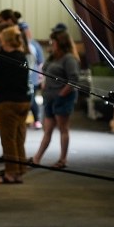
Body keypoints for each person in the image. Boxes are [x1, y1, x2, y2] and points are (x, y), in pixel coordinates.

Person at [0, 26, 33, 184]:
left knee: (8, 139)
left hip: (8, 102)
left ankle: (11, 173)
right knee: (19, 137)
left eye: (1, 39)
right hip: (24, 102)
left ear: (6, 41)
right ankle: (20, 170)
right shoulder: (22, 56)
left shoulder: (4, 58)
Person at [29, 29, 81, 169]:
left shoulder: (69, 59)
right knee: (47, 130)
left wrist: (61, 94)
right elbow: (44, 71)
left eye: (53, 41)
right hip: (49, 98)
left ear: (60, 43)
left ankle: (63, 160)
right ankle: (36, 158)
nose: (51, 44)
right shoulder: (53, 57)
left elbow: (74, 79)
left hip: (62, 99)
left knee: (63, 129)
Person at [18, 21, 45, 129]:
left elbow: (40, 62)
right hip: (28, 77)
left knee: (31, 99)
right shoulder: (32, 44)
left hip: (31, 77)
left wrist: (40, 74)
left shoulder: (33, 45)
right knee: (28, 99)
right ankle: (33, 120)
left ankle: (37, 120)